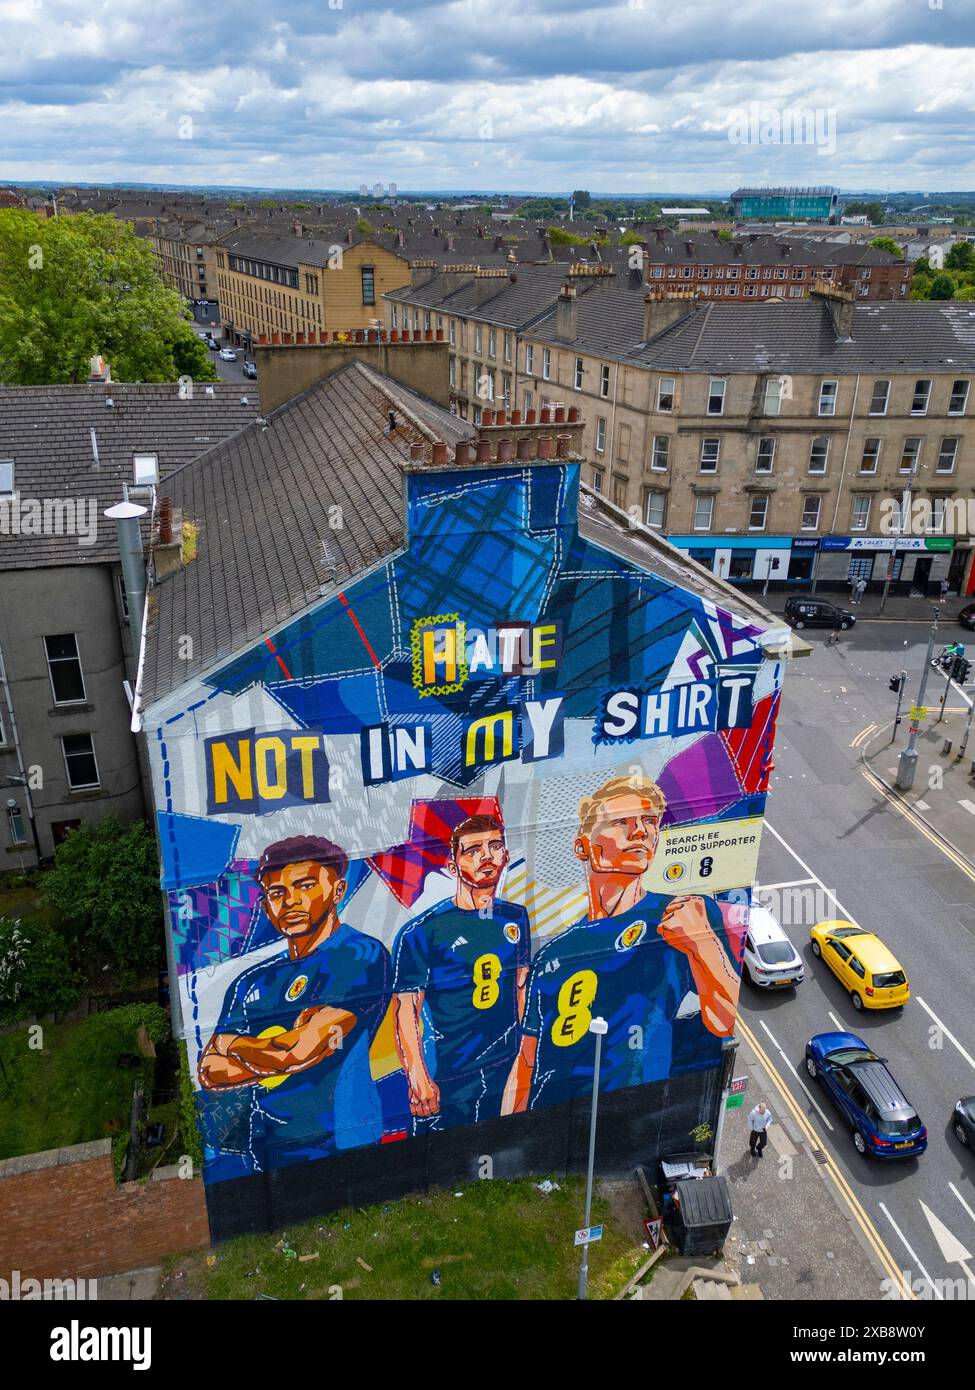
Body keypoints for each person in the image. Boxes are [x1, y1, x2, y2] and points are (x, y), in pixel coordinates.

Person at [502, 772, 739, 1116]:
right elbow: (526, 1061)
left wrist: (704, 949)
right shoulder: (552, 954)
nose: (641, 831)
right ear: (582, 845)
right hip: (548, 1120)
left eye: (649, 821)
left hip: (627, 1119)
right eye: (621, 822)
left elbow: (725, 1022)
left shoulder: (682, 913)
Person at [198, 835, 391, 1170]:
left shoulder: (360, 955)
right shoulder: (250, 981)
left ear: (338, 891)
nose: (290, 902)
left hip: (340, 1139)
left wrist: (235, 1045)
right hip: (267, 1140)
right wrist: (277, 1053)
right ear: (265, 905)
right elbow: (209, 1071)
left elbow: (299, 1051)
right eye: (277, 893)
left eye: (305, 886)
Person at [391, 814, 530, 1131]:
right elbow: (406, 1009)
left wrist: (525, 1057)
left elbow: (520, 988)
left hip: (504, 1065)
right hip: (450, 1073)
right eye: (472, 850)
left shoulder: (515, 917)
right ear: (453, 866)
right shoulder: (422, 931)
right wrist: (418, 1077)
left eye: (495, 846)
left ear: (506, 855)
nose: (486, 856)